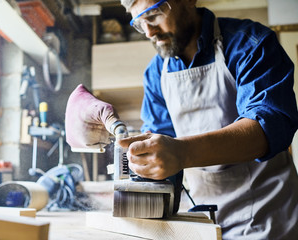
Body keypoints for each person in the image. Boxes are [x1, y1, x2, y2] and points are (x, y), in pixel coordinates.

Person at [115, 0, 298, 239]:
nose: (149, 32)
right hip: (203, 221)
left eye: (154, 15)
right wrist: (141, 165)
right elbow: (157, 156)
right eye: (139, 22)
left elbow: (268, 128)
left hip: (269, 217)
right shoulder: (155, 74)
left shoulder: (250, 44)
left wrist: (181, 152)